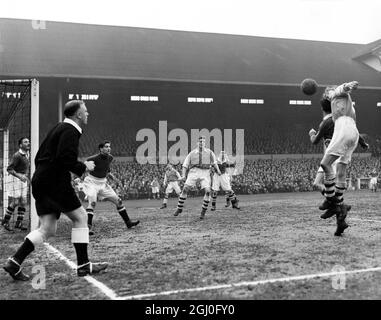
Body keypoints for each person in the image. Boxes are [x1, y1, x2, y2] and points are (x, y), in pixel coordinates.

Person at [3, 100, 108, 281]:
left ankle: (15, 261)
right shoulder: (71, 130)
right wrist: (84, 167)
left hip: (41, 181)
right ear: (78, 115)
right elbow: (65, 158)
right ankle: (83, 265)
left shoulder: (58, 128)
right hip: (54, 182)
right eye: (86, 111)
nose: (88, 113)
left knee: (48, 228)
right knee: (81, 217)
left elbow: (39, 157)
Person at [314, 81, 361, 236]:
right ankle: (340, 215)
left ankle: (332, 201)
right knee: (341, 174)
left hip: (344, 130)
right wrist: (363, 142)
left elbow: (341, 89)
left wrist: (348, 86)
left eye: (329, 91)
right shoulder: (345, 107)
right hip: (353, 132)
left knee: (325, 164)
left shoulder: (337, 96)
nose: (328, 93)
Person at [82, 141, 139, 235]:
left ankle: (128, 223)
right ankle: (88, 228)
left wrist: (115, 179)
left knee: (119, 201)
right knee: (92, 203)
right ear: (101, 149)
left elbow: (107, 171)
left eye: (109, 146)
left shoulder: (110, 157)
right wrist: (79, 176)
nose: (109, 148)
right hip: (91, 182)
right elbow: (83, 167)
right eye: (106, 147)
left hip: (103, 183)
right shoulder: (93, 158)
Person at [174, 136, 221, 220]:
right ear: (197, 143)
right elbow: (185, 165)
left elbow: (214, 163)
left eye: (203, 141)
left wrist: (218, 170)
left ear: (205, 143)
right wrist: (184, 175)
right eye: (200, 141)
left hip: (205, 172)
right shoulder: (192, 153)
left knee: (207, 191)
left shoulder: (210, 152)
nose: (201, 143)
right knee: (185, 189)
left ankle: (203, 212)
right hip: (194, 172)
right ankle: (179, 208)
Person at [1, 137, 30, 231]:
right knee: (16, 202)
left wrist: (25, 175)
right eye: (26, 142)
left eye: (28, 141)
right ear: (20, 145)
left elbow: (27, 166)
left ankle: (19, 223)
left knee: (24, 202)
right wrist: (19, 176)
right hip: (15, 179)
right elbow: (9, 169)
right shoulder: (17, 155)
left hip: (23, 179)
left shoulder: (28, 153)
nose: (28, 143)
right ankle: (5, 221)